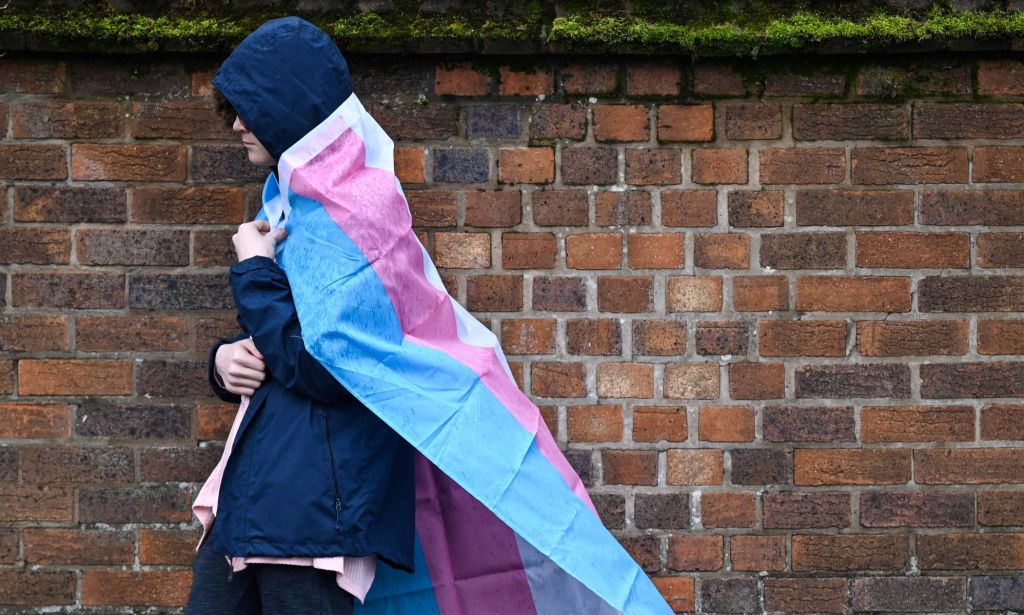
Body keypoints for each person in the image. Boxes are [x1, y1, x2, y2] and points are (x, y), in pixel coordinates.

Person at [185, 17, 415, 615]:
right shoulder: (291, 206)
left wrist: (255, 271)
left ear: (290, 105)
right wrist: (224, 361)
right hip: (261, 495)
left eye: (249, 107)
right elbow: (279, 339)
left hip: (315, 514)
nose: (236, 124)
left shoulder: (364, 211)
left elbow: (327, 365)